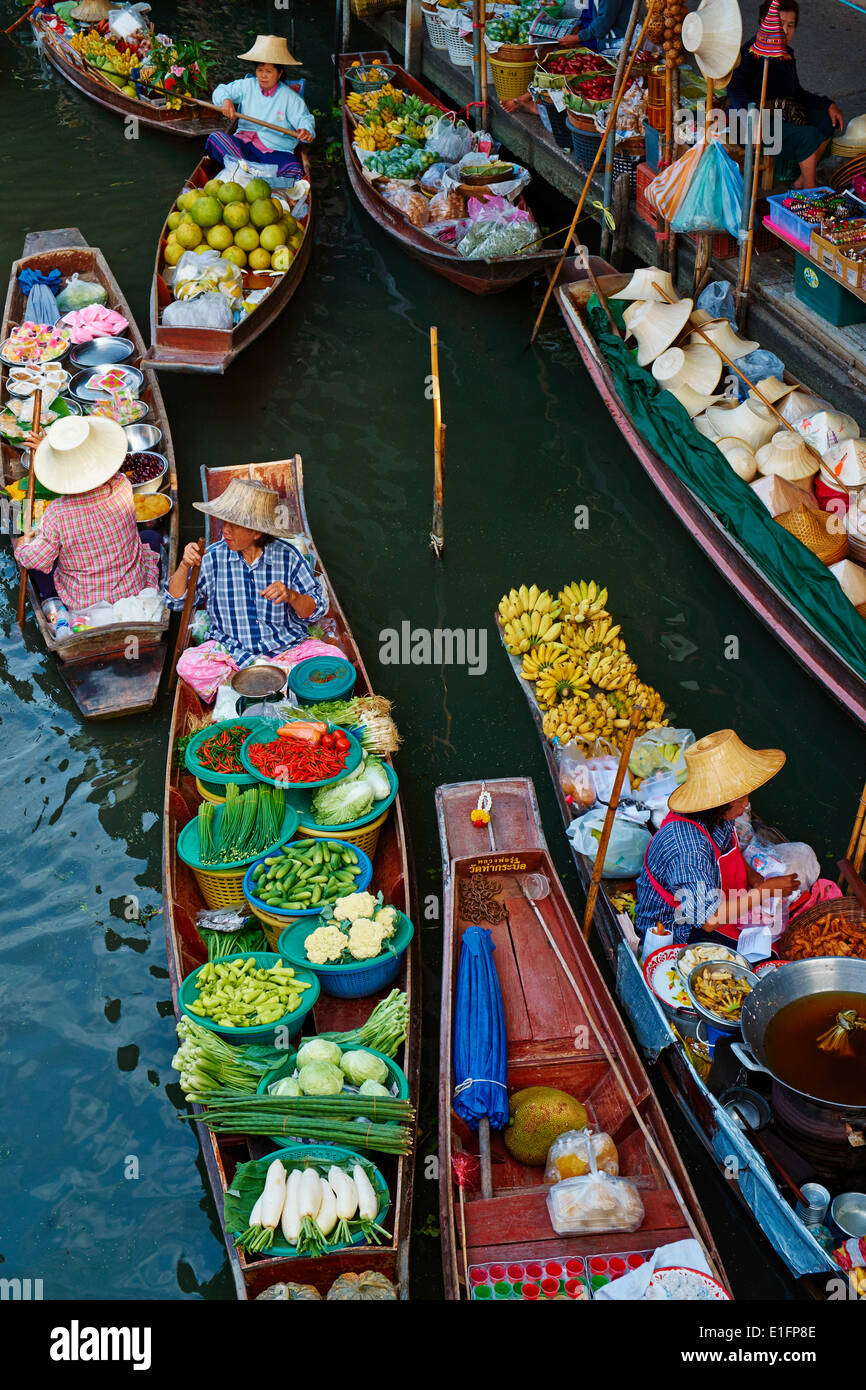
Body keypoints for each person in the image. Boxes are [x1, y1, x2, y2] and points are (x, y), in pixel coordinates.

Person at [635, 729, 800, 945]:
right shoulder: (689, 849)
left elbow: (726, 849)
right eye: (741, 798)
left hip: (714, 896)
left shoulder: (717, 815)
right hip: (676, 928)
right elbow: (709, 920)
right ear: (719, 802)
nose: (746, 805)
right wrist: (767, 890)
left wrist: (751, 876)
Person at [166, 477, 326, 666]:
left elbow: (316, 611)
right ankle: (269, 677)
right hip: (232, 654)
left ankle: (270, 675)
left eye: (233, 525)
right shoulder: (212, 558)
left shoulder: (288, 557)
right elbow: (175, 602)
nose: (225, 531)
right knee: (188, 664)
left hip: (287, 649)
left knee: (333, 657)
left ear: (256, 532)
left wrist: (292, 596)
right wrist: (185, 564)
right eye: (224, 522)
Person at [13, 415, 162, 610]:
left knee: (38, 564)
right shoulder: (122, 485)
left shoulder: (58, 513)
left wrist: (22, 547)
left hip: (85, 601)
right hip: (131, 589)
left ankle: (55, 603)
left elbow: (37, 558)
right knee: (150, 536)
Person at [727, 0, 844, 190]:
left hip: (782, 113)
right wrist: (751, 118)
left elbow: (796, 92)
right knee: (808, 136)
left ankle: (801, 181)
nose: (785, 31)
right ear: (764, 22)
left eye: (790, 25)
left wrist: (827, 105)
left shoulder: (785, 54)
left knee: (826, 121)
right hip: (748, 125)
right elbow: (734, 88)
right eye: (780, 23)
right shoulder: (750, 53)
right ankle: (810, 191)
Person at [206, 35, 315, 183]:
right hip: (242, 147)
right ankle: (256, 174)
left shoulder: (291, 98)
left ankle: (242, 173)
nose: (263, 76)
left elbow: (305, 119)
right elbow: (221, 90)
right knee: (215, 139)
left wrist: (305, 131)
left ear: (280, 73)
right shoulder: (246, 85)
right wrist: (226, 101)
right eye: (260, 70)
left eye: (269, 71)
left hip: (274, 151)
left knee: (294, 169)